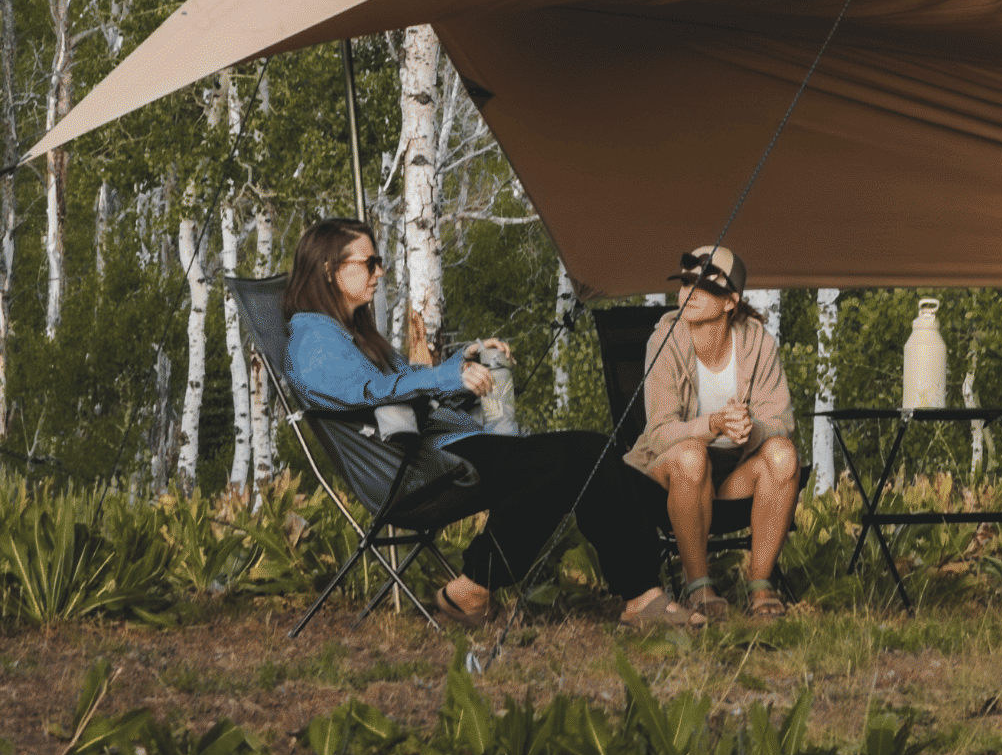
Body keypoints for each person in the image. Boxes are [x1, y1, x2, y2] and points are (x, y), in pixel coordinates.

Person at [282, 218, 698, 630]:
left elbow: (405, 382)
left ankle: (478, 588)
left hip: (441, 449)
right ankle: (643, 577)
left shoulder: (348, 333)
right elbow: (370, 389)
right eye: (370, 262)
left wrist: (468, 359)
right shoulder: (312, 339)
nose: (380, 272)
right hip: (416, 468)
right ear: (330, 269)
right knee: (579, 456)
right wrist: (446, 376)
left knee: (577, 459)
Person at [623, 243, 801, 622]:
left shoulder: (757, 343)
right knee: (691, 454)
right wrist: (713, 424)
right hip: (667, 477)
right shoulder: (665, 342)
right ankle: (698, 585)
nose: (688, 293)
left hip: (733, 476)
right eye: (685, 283)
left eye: (704, 287)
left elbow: (781, 418)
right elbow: (658, 433)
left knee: (783, 453)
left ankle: (760, 584)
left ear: (729, 302)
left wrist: (748, 427)